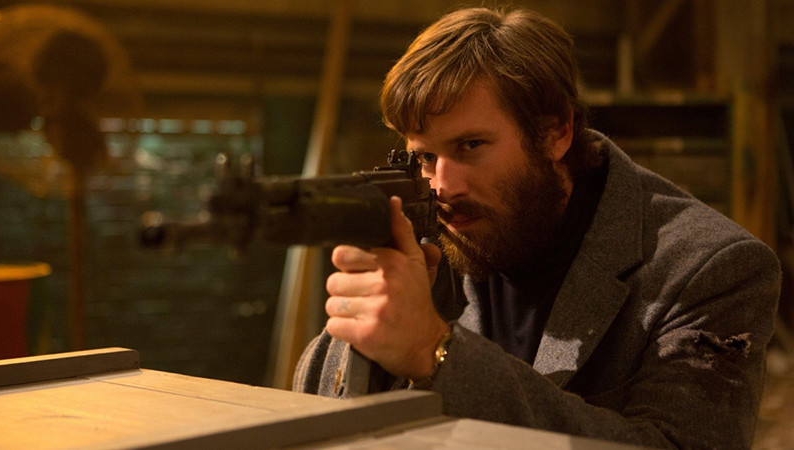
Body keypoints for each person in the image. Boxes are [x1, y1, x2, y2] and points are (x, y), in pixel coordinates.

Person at [293, 6, 781, 449]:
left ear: (555, 133)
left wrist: (435, 351)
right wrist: (368, 331)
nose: (444, 186)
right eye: (425, 157)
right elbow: (313, 403)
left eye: (471, 146)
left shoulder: (711, 268)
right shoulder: (435, 237)